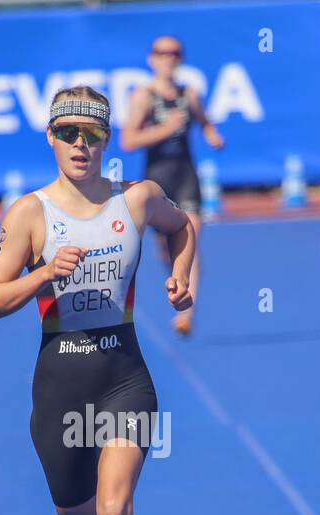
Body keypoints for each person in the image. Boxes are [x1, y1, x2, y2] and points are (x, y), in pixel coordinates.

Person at [0, 86, 196, 515]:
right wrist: (43, 274)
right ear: (50, 137)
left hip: (124, 375)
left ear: (108, 142)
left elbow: (185, 226)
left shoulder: (137, 199)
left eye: (92, 135)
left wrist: (186, 277)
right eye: (69, 133)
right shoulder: (31, 214)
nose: (81, 145)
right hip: (61, 382)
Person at [120, 35, 224, 336]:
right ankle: (178, 282)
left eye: (175, 53)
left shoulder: (188, 94)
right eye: (162, 53)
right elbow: (128, 140)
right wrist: (164, 129)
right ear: (152, 59)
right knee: (167, 250)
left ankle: (186, 312)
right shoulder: (143, 95)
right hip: (159, 179)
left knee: (190, 239)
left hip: (187, 175)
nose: (169, 58)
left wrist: (212, 134)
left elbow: (204, 121)